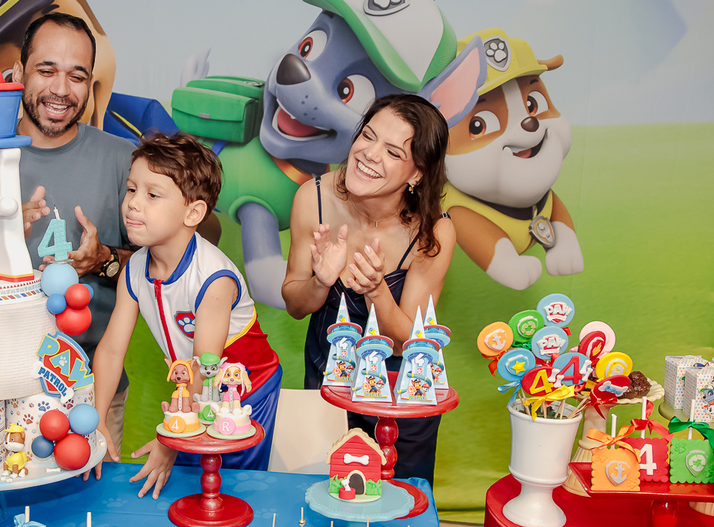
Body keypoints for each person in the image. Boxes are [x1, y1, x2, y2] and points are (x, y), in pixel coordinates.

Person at [0, 12, 135, 452]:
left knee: (87, 497)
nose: (61, 89)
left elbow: (157, 271)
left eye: (77, 76)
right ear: (18, 74)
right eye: (46, 70)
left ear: (90, 84)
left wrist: (104, 260)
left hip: (90, 391)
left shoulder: (122, 158)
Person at [92, 133, 281, 498]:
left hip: (244, 392)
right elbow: (112, 349)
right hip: (194, 389)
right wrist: (97, 419)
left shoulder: (213, 278)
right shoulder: (134, 269)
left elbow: (206, 366)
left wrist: (170, 440)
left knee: (230, 489)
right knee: (189, 488)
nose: (133, 204)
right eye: (131, 189)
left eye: (152, 195)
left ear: (193, 213)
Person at [281, 94, 456, 484]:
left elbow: (413, 340)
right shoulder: (314, 198)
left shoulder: (433, 231)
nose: (369, 154)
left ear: (417, 174)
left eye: (393, 152)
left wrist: (377, 291)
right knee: (328, 493)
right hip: (329, 382)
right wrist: (320, 281)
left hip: (399, 395)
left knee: (398, 502)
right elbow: (294, 302)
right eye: (368, 136)